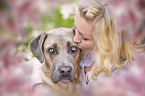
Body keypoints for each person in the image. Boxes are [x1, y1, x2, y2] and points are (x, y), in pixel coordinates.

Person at [31, 0, 144, 96]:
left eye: (84, 38)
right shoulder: (83, 50)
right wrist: (38, 85)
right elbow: (44, 53)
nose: (75, 39)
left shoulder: (123, 79)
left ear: (104, 42)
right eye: (76, 29)